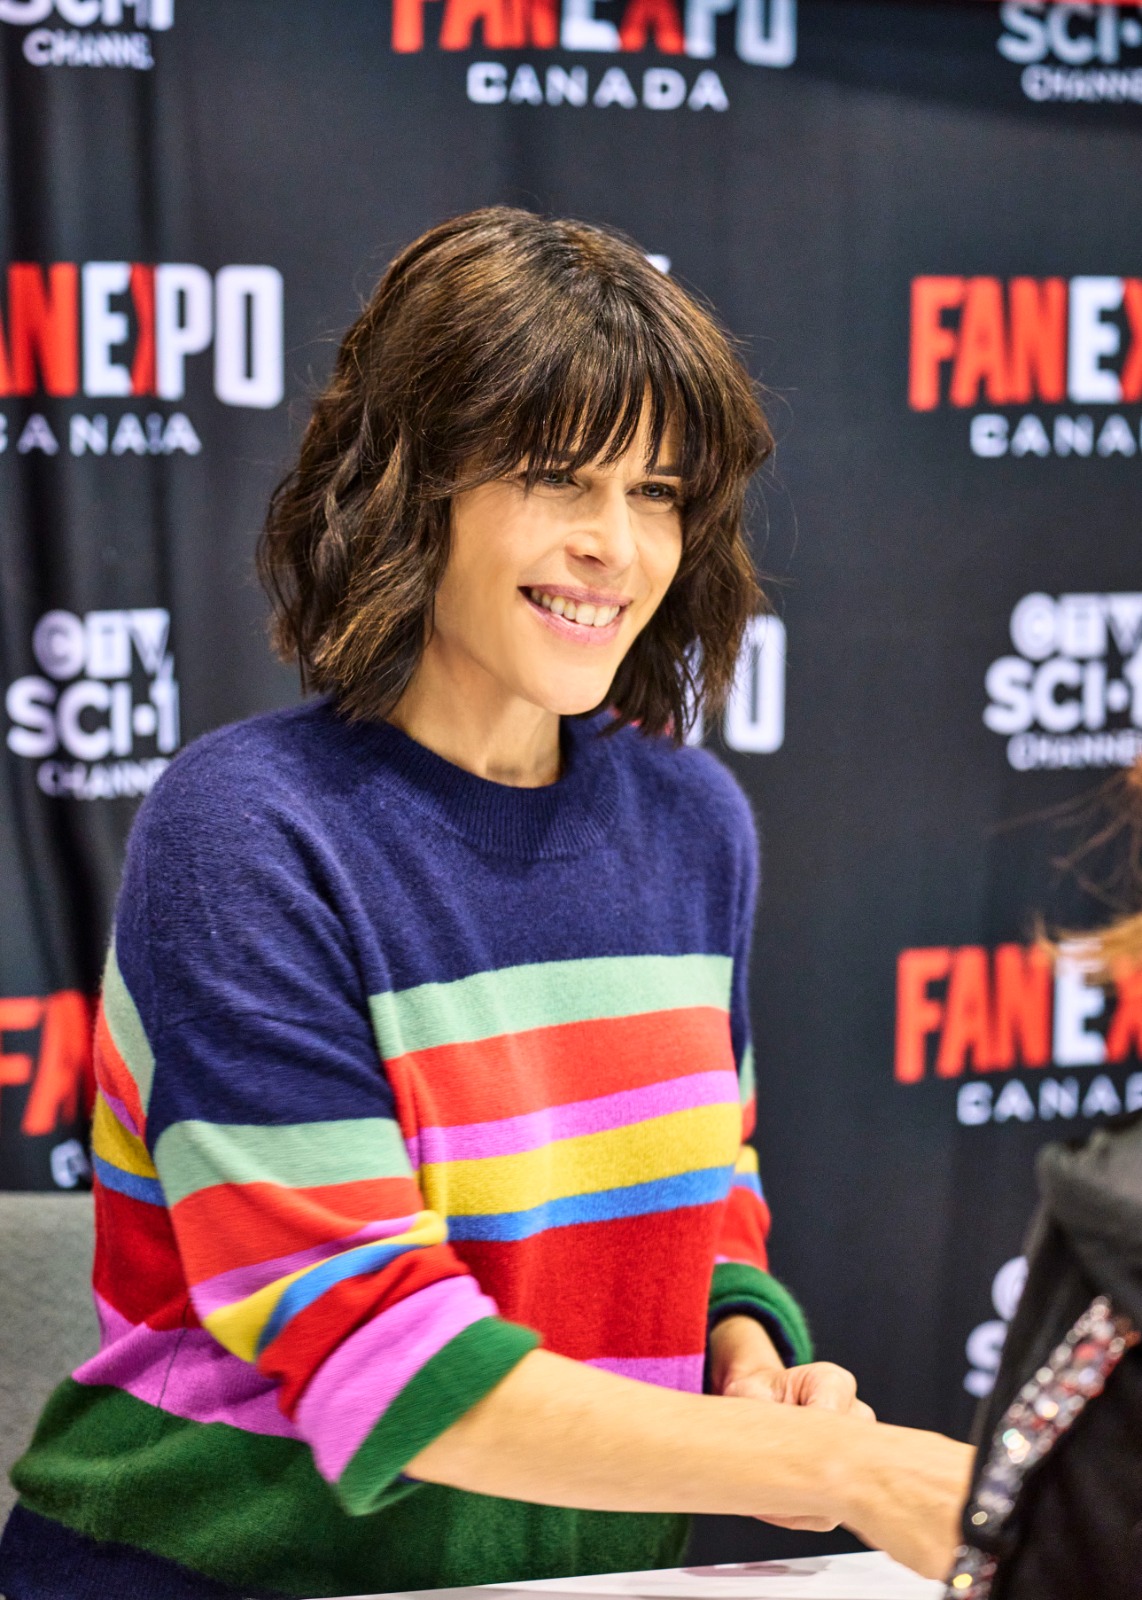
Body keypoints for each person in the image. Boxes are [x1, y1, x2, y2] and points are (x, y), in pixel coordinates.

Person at [0, 207, 972, 1600]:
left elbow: (705, 1198)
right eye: (556, 478)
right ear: (414, 488)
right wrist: (843, 1474)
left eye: (657, 491)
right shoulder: (246, 835)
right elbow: (380, 1363)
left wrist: (744, 1354)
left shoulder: (693, 823)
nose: (616, 546)